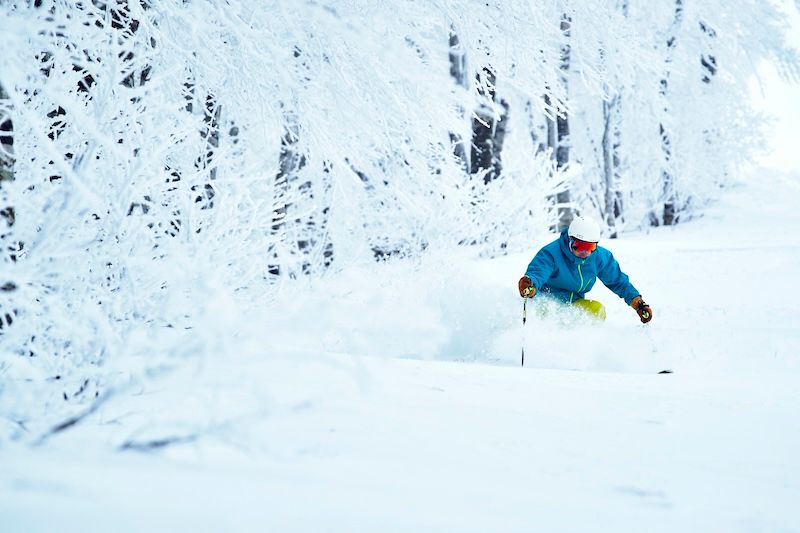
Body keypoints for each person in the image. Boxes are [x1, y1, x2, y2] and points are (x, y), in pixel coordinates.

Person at [518, 216, 652, 323]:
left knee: (597, 311)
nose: (585, 252)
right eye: (579, 246)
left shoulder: (600, 257)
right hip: (547, 302)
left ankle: (581, 346)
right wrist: (530, 284)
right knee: (547, 314)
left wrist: (637, 303)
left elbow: (618, 282)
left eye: (590, 247)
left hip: (573, 304)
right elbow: (538, 272)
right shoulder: (551, 253)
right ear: (570, 240)